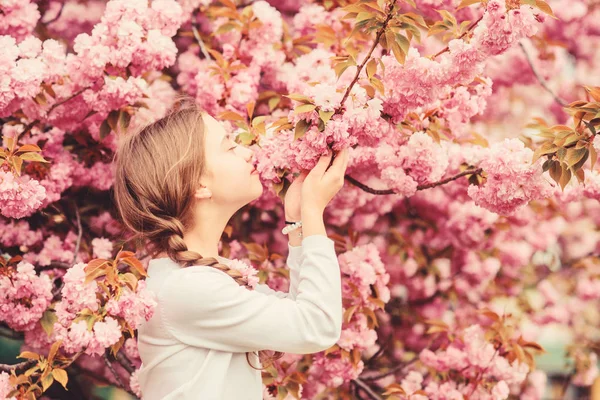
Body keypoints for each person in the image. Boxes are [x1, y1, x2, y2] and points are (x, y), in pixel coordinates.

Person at [111, 96, 349, 400]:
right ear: (199, 185)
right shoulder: (188, 287)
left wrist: (298, 219)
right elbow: (317, 326)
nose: (248, 153)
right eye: (229, 147)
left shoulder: (194, 277)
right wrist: (314, 211)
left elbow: (298, 313)